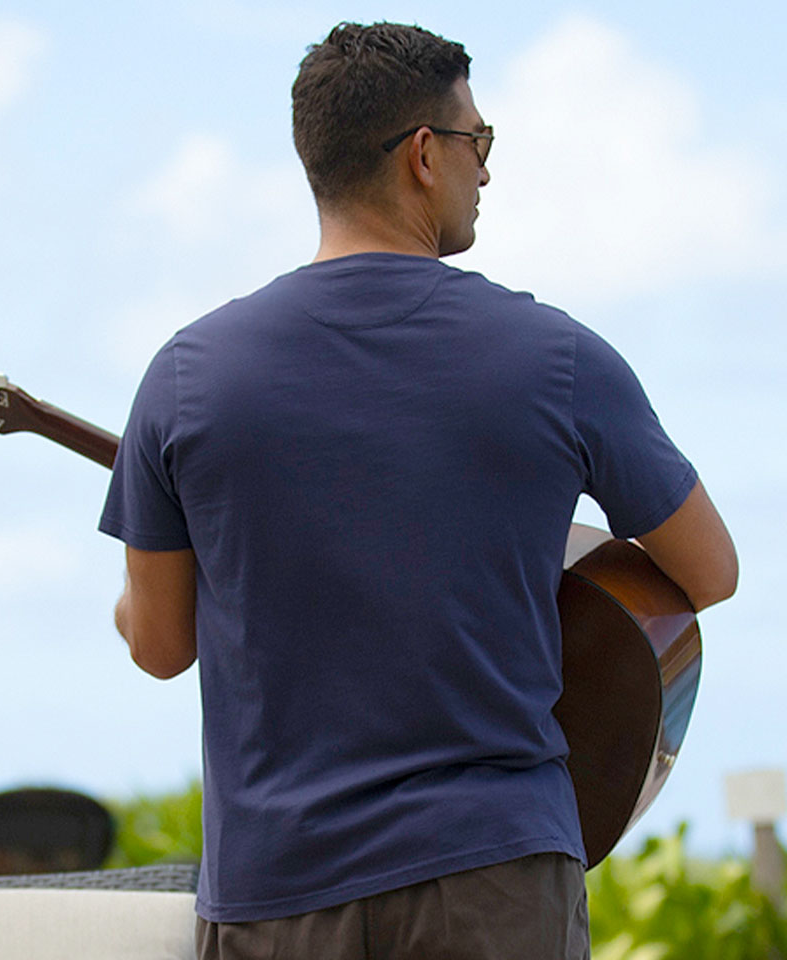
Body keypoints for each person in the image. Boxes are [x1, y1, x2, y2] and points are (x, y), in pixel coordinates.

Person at [99, 21, 738, 960]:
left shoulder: (189, 377)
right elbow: (709, 569)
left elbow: (158, 646)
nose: (488, 170)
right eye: (479, 143)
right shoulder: (556, 359)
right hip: (496, 884)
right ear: (425, 156)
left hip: (280, 898)